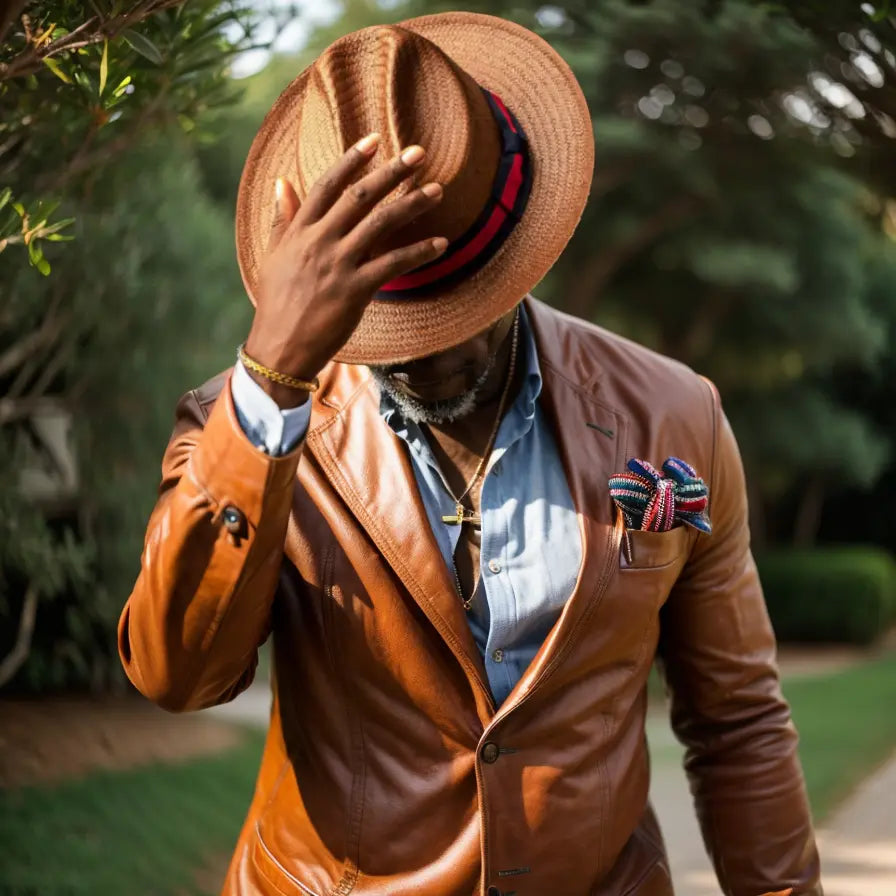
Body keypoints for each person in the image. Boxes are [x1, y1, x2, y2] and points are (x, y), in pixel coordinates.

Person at [118, 12, 822, 896]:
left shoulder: (674, 416)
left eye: (456, 309)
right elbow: (177, 675)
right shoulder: (237, 429)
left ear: (520, 255)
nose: (428, 352)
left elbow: (739, 722)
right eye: (388, 322)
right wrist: (273, 382)